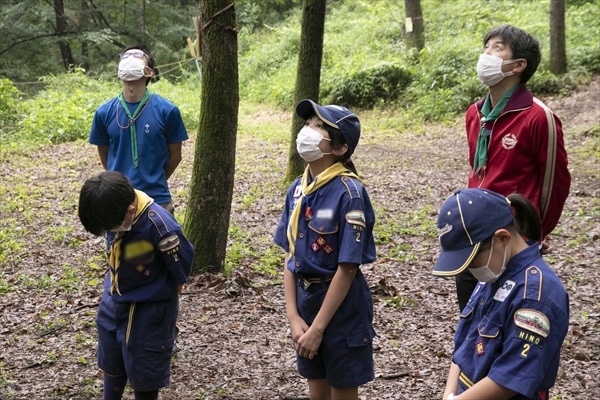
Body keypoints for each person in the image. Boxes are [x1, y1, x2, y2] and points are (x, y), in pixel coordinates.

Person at [456, 24, 571, 311]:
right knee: (471, 313)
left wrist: (535, 232)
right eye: (486, 47)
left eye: (497, 48)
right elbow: (478, 170)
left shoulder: (538, 117)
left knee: (510, 312)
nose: (487, 54)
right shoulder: (475, 113)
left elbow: (554, 184)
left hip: (513, 236)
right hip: (475, 231)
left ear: (519, 65)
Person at [273, 100, 377, 400]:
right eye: (308, 124)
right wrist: (294, 316)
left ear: (340, 148)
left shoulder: (350, 193)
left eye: (319, 126)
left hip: (341, 308)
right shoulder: (297, 189)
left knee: (341, 391)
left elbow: (347, 268)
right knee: (317, 390)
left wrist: (318, 329)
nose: (308, 130)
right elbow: (290, 256)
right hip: (306, 302)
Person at [432, 188, 569, 400]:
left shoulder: (536, 295)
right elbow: (463, 346)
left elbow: (510, 377)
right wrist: (450, 394)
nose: (470, 270)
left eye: (471, 260)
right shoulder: (495, 272)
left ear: (502, 238)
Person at [78, 171, 194, 400]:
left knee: (145, 370)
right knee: (111, 361)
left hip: (149, 312)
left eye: (113, 227)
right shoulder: (112, 208)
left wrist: (177, 282)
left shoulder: (159, 226)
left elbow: (182, 261)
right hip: (114, 302)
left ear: (130, 211)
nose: (111, 233)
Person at [89, 45, 188, 214]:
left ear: (149, 71)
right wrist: (118, 187)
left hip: (158, 202)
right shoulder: (103, 113)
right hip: (117, 202)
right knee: (119, 242)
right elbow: (105, 155)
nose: (130, 57)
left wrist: (155, 181)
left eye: (137, 55)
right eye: (125, 56)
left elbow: (175, 156)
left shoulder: (168, 111)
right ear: (119, 71)